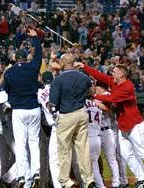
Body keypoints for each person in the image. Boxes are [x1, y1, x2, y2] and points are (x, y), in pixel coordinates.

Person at [76, 62, 144, 187]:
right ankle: (141, 178)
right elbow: (100, 76)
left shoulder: (128, 87)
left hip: (134, 125)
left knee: (143, 152)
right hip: (123, 126)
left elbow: (112, 98)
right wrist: (84, 66)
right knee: (125, 154)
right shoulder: (115, 82)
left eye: (114, 72)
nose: (112, 74)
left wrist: (93, 95)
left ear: (121, 75)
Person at [49, 53, 95, 188]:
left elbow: (53, 103)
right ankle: (88, 179)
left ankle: (65, 180)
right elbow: (91, 91)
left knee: (64, 150)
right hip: (81, 113)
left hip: (66, 115)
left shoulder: (57, 80)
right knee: (83, 149)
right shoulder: (83, 76)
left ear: (62, 64)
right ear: (74, 63)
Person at [4, 29, 42, 188]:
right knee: (34, 142)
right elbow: (39, 54)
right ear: (26, 58)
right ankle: (36, 172)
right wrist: (35, 39)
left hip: (18, 111)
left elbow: (6, 91)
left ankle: (21, 176)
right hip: (34, 109)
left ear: (15, 58)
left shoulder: (9, 72)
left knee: (20, 144)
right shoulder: (33, 67)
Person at [37, 71, 61, 188]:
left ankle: (55, 184)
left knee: (52, 159)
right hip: (66, 123)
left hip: (54, 127)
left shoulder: (40, 92)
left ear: (42, 80)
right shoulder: (59, 87)